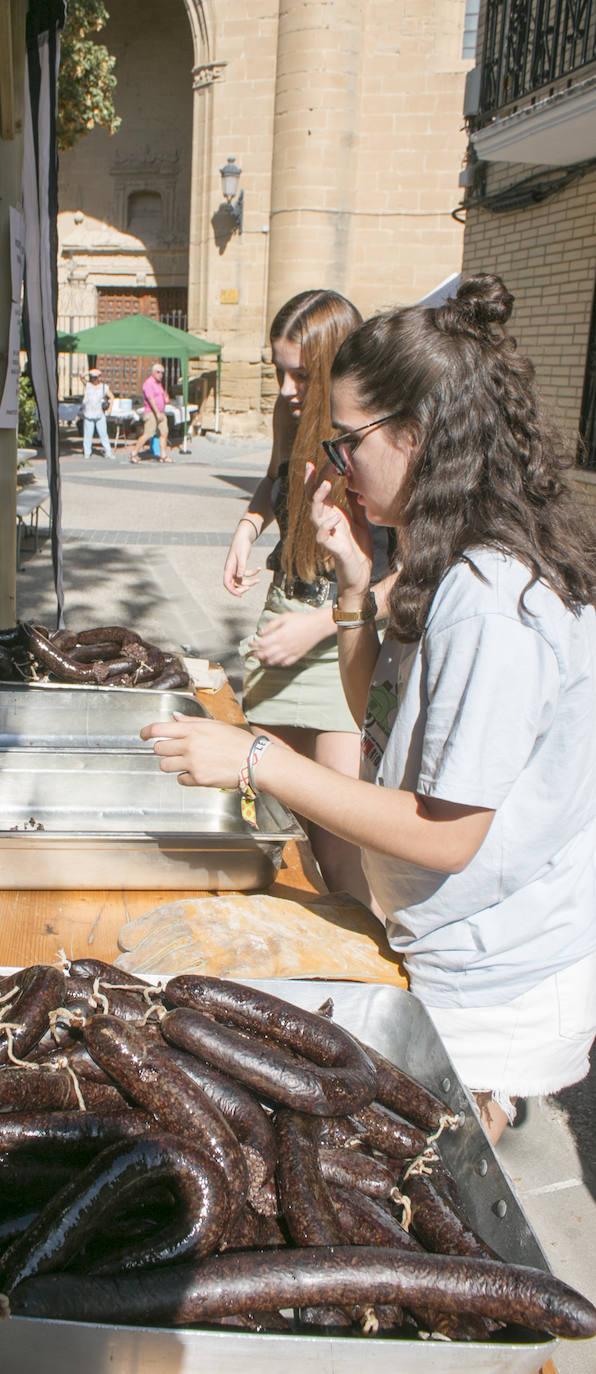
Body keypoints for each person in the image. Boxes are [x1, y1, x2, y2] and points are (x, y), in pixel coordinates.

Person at [142, 274, 596, 1146]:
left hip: (494, 968)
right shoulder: (444, 558)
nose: (337, 461)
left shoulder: (493, 595)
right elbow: (373, 711)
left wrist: (254, 760)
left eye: (348, 442)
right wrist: (354, 587)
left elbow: (445, 832)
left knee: (429, 1174)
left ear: (414, 436)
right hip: (450, 938)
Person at [223, 290, 391, 907]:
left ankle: (361, 967)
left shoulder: (374, 445)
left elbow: (405, 577)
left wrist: (319, 625)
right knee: (268, 815)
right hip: (281, 622)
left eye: (302, 373)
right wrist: (246, 531)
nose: (288, 388)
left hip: (340, 637)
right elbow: (272, 482)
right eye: (279, 371)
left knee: (338, 834)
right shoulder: (288, 416)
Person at [129, 361, 176, 464]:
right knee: (148, 434)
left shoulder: (159, 384)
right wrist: (157, 413)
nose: (161, 374)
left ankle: (163, 456)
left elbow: (161, 395)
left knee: (164, 433)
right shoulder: (148, 383)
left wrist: (165, 398)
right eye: (158, 372)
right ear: (153, 372)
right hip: (151, 412)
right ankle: (134, 452)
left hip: (161, 412)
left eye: (162, 372)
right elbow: (151, 399)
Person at [79, 366, 114, 459]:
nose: (94, 379)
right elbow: (81, 377)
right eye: (93, 377)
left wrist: (109, 408)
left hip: (99, 414)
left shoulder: (104, 387)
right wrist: (89, 372)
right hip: (88, 413)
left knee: (103, 434)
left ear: (99, 377)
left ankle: (108, 452)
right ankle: (87, 452)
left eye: (96, 377)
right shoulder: (88, 385)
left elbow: (112, 397)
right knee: (88, 434)